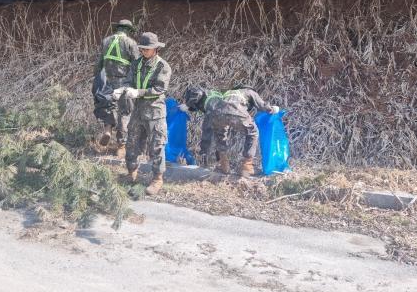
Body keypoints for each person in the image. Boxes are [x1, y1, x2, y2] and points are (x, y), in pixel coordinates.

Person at [114, 32, 171, 195]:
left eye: (147, 49)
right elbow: (128, 81)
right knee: (132, 143)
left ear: (155, 49)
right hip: (137, 112)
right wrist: (122, 90)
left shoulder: (163, 66)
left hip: (155, 113)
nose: (144, 52)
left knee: (156, 146)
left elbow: (159, 89)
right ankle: (131, 174)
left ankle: (157, 179)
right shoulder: (136, 64)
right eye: (142, 49)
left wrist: (138, 92)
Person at [181, 85, 279, 177]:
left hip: (217, 114)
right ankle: (247, 166)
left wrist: (188, 105)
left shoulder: (227, 93)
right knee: (252, 132)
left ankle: (224, 165)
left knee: (221, 136)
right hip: (236, 112)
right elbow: (262, 106)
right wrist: (272, 109)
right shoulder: (249, 91)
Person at [94, 19, 139, 157]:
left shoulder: (106, 40)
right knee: (124, 112)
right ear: (128, 30)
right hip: (123, 82)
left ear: (117, 28)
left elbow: (99, 63)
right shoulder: (131, 43)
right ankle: (121, 145)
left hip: (107, 80)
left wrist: (97, 79)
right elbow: (137, 65)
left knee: (109, 106)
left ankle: (108, 129)